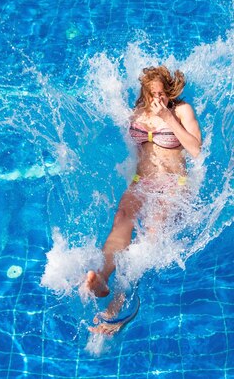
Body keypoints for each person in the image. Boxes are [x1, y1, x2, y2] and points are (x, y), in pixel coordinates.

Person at [85, 66, 202, 335]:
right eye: (152, 95)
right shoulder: (138, 114)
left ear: (170, 92)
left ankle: (119, 303)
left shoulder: (182, 111)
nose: (157, 100)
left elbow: (195, 150)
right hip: (142, 182)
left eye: (162, 94)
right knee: (121, 221)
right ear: (145, 94)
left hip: (174, 185)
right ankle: (102, 278)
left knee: (151, 231)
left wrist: (168, 118)